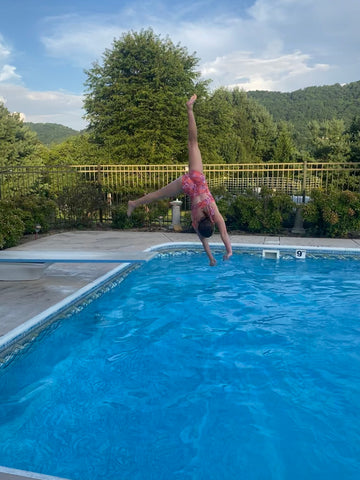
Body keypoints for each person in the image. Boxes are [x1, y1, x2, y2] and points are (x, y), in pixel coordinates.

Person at [127, 94, 232, 266]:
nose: (195, 224)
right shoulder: (205, 218)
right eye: (198, 224)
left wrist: (220, 254)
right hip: (193, 182)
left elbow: (214, 238)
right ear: (202, 222)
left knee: (159, 193)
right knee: (192, 145)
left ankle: (133, 203)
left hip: (192, 183)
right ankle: (189, 108)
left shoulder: (205, 220)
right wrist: (222, 254)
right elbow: (215, 238)